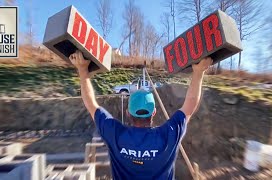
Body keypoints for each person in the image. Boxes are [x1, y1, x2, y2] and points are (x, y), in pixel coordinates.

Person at [69, 50, 213, 180]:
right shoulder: (168, 135)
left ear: (128, 113)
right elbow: (190, 105)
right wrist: (199, 71)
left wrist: (83, 71)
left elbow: (91, 104)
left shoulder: (115, 133)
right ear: (154, 112)